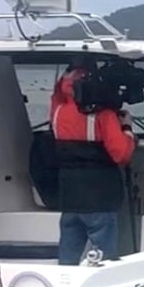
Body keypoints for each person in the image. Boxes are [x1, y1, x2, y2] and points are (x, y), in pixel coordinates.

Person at [51, 67, 136, 264]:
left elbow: (57, 95)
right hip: (100, 198)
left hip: (70, 198)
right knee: (102, 259)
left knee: (68, 256)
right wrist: (127, 129)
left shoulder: (58, 111)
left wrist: (66, 78)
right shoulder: (103, 116)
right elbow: (121, 154)